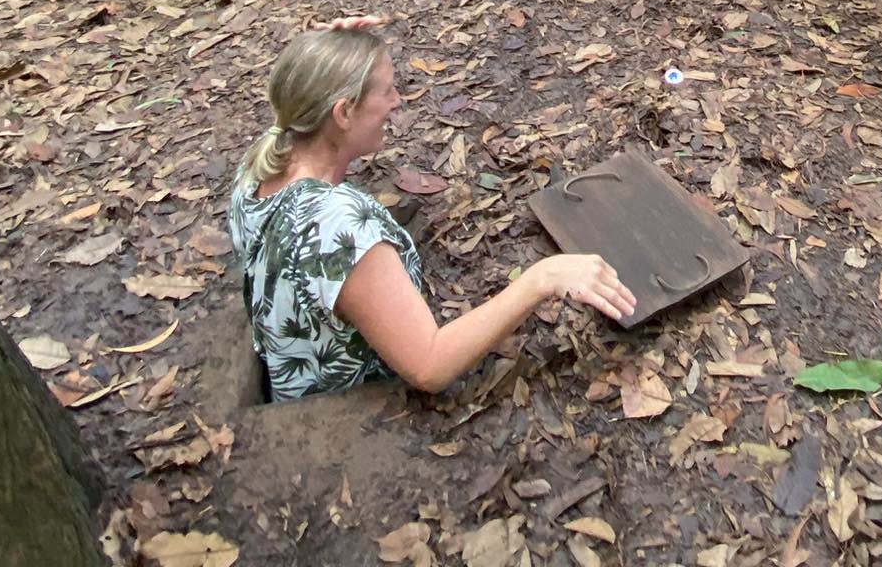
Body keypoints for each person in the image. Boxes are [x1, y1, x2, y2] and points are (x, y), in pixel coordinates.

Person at [229, 20, 636, 401]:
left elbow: (298, 100)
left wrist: (326, 55)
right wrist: (542, 278)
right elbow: (429, 365)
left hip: (295, 368)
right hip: (346, 407)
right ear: (344, 112)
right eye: (386, 91)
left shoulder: (262, 159)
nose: (397, 101)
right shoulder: (340, 230)